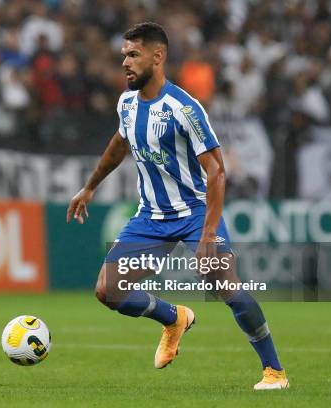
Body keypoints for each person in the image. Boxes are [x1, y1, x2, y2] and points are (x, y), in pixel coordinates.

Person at [66, 22, 288, 390]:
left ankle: (274, 371)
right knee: (109, 291)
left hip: (195, 213)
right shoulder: (127, 103)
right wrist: (89, 187)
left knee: (224, 285)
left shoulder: (184, 107)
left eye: (133, 55)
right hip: (150, 218)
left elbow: (217, 170)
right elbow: (119, 145)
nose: (125, 62)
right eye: (124, 55)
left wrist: (209, 232)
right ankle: (175, 318)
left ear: (158, 56)